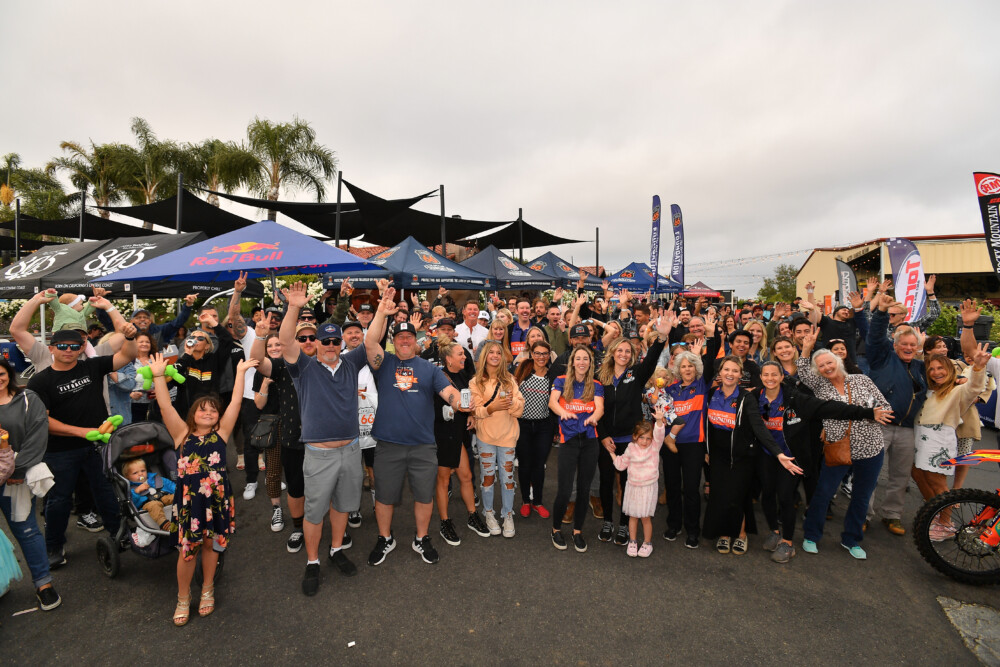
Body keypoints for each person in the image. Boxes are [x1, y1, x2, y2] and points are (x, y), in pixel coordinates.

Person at [280, 282, 369, 595]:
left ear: (340, 343)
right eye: (325, 340)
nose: (330, 345)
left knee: (343, 506)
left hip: (350, 449)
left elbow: (372, 342)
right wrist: (293, 306)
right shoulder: (303, 367)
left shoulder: (351, 362)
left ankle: (336, 550)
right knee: (315, 511)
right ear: (314, 343)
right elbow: (285, 340)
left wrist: (383, 311)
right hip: (318, 454)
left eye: (335, 340)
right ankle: (313, 561)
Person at [148, 351, 250, 625]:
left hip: (216, 501)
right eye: (201, 409)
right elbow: (165, 406)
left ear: (218, 418)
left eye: (213, 409)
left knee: (210, 546)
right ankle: (183, 597)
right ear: (193, 414)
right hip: (190, 503)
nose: (208, 412)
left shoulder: (222, 433)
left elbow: (236, 401)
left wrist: (240, 374)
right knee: (187, 550)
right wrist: (159, 376)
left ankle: (207, 589)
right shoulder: (181, 435)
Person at [364, 287, 464, 567]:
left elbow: (449, 392)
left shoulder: (429, 368)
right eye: (400, 337)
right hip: (388, 444)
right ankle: (385, 537)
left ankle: (421, 538)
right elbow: (371, 343)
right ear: (394, 341)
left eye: (409, 336)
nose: (405, 340)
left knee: (423, 495)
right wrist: (382, 313)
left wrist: (461, 402)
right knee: (384, 496)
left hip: (422, 446)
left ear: (415, 339)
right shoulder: (383, 363)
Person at [753, 361, 890, 563]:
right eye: (766, 375)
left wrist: (868, 413)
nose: (770, 378)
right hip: (766, 455)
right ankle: (774, 531)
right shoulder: (754, 397)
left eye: (775, 374)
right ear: (761, 377)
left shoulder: (795, 398)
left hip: (790, 457)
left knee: (785, 497)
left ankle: (788, 543)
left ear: (782, 377)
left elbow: (830, 408)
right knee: (767, 495)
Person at [28, 325, 137, 570]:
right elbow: (43, 421)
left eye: (75, 346)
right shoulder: (40, 381)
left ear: (81, 349)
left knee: (106, 491)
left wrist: (130, 336)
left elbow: (127, 356)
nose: (69, 350)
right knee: (59, 500)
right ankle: (54, 545)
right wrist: (82, 432)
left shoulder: (92, 366)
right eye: (63, 346)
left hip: (97, 445)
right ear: (52, 348)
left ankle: (117, 534)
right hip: (61, 450)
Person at [796, 343, 893, 559]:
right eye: (821, 366)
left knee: (862, 496)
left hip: (870, 447)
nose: (827, 368)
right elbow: (802, 370)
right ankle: (811, 536)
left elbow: (883, 406)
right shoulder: (820, 386)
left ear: (838, 361)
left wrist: (877, 413)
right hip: (837, 447)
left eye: (829, 362)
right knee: (823, 493)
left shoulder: (862, 380)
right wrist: (806, 349)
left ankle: (851, 539)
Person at [703, 356, 803, 555]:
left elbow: (759, 427)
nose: (730, 374)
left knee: (738, 495)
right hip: (718, 454)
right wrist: (706, 450)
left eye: (734, 371)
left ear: (741, 375)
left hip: (742, 455)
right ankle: (724, 533)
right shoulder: (712, 393)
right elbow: (706, 425)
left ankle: (740, 534)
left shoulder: (746, 398)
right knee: (721, 494)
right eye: (726, 370)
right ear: (720, 373)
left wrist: (778, 453)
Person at [595, 314, 670, 545]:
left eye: (628, 351)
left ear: (631, 355)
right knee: (606, 482)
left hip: (631, 441)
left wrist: (662, 337)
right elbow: (596, 408)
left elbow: (652, 360)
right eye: (620, 350)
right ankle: (608, 521)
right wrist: (604, 435)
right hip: (607, 439)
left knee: (629, 485)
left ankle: (625, 525)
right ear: (613, 352)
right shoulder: (600, 376)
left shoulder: (636, 374)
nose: (624, 354)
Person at [0, 357, 61, 610]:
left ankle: (43, 584)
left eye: (1, 373)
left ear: (8, 373)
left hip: (16, 478)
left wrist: (19, 468)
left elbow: (38, 434)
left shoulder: (28, 399)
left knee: (25, 529)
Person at [865, 292, 927, 536]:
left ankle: (892, 515)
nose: (909, 348)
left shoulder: (921, 368)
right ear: (895, 345)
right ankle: (863, 514)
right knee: (870, 472)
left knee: (900, 477)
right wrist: (880, 312)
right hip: (880, 424)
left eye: (913, 345)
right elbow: (874, 336)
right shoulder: (882, 358)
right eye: (905, 344)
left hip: (907, 428)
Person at [247, 314, 311, 553]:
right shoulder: (278, 365)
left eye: (311, 338)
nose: (307, 341)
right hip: (285, 432)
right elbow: (256, 361)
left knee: (325, 484)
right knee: (289, 481)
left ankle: (334, 525)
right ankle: (294, 524)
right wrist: (261, 334)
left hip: (321, 438)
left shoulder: (323, 362)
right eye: (301, 338)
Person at [911, 345, 989, 540]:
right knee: (917, 473)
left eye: (940, 368)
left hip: (939, 441)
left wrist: (978, 368)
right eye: (932, 369)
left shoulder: (957, 391)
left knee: (937, 482)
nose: (936, 372)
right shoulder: (930, 391)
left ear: (950, 369)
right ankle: (934, 511)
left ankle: (945, 523)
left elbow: (974, 387)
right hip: (921, 439)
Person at [548, 345, 605, 552]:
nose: (582, 362)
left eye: (586, 359)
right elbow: (552, 402)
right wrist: (563, 412)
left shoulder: (596, 385)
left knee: (584, 490)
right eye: (578, 358)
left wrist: (593, 418)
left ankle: (578, 531)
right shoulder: (561, 381)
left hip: (590, 441)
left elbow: (600, 408)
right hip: (569, 441)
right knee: (564, 490)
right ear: (572, 362)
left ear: (590, 363)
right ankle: (556, 529)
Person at [433, 338, 486, 546]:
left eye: (464, 354)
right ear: (448, 359)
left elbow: (468, 401)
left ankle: (472, 515)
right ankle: (445, 521)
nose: (465, 356)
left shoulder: (465, 375)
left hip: (460, 434)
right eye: (460, 354)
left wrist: (471, 413)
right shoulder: (437, 377)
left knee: (466, 476)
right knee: (443, 480)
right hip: (443, 435)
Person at [470, 340, 525, 538]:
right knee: (488, 477)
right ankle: (489, 513)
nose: (495, 355)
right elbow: (474, 410)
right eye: (491, 352)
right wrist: (491, 408)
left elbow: (520, 406)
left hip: (508, 436)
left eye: (498, 352)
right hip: (485, 436)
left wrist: (509, 405)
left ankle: (507, 514)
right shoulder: (475, 381)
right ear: (484, 356)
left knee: (508, 477)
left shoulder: (510, 379)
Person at [611, 407, 680, 558]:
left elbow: (660, 434)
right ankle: (633, 541)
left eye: (648, 438)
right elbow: (620, 465)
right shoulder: (630, 448)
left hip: (648, 488)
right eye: (641, 437)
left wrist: (660, 421)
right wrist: (611, 453)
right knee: (633, 517)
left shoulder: (655, 447)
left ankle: (647, 543)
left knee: (646, 518)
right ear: (635, 436)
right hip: (633, 487)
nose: (645, 441)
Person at [514, 340, 556, 519]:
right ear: (531, 354)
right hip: (522, 424)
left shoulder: (553, 375)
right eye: (537, 353)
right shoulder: (523, 369)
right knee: (524, 464)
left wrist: (555, 429)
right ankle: (525, 501)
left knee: (539, 465)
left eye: (545, 354)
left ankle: (537, 502)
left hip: (543, 426)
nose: (541, 357)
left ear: (549, 355)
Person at [122, 459, 176, 532]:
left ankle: (190, 509)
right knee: (154, 505)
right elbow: (132, 503)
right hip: (148, 504)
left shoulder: (157, 479)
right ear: (127, 477)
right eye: (135, 473)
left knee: (175, 496)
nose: (140, 474)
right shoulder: (132, 490)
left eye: (143, 471)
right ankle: (166, 525)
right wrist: (136, 492)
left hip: (163, 497)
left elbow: (170, 485)